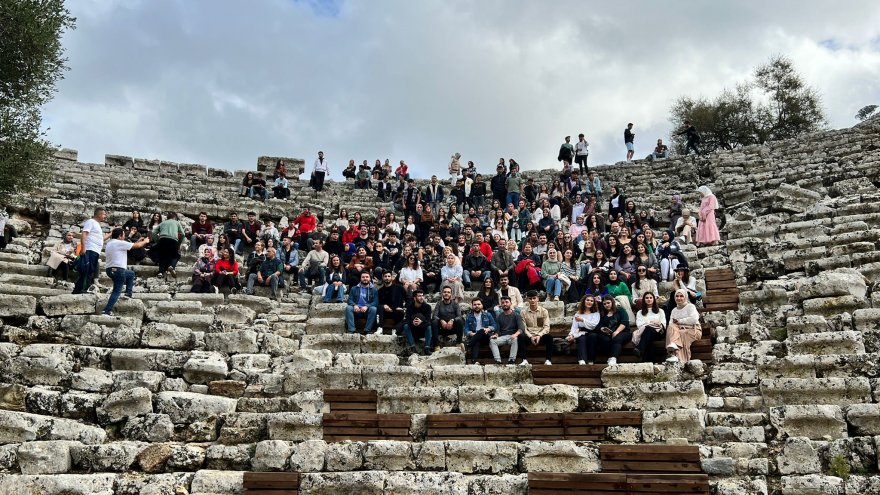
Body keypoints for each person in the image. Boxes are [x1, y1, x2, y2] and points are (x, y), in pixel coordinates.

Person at [102, 227, 150, 315]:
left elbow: (131, 245)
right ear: (120, 236)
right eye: (124, 235)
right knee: (116, 291)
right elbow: (138, 246)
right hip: (118, 270)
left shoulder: (110, 243)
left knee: (131, 274)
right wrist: (145, 241)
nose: (125, 237)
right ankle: (107, 310)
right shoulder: (119, 243)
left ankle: (128, 293)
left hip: (109, 270)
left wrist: (139, 240)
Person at [73, 207, 110, 295]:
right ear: (99, 214)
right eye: (104, 214)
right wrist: (83, 248)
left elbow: (101, 239)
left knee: (90, 271)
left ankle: (79, 290)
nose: (105, 216)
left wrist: (111, 233)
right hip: (90, 250)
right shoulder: (91, 222)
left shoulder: (97, 224)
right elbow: (84, 234)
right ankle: (82, 290)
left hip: (95, 251)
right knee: (87, 271)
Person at [588, 296, 631, 365]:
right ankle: (609, 357)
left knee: (617, 339)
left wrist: (617, 332)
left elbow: (625, 322)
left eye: (608, 303)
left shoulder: (620, 310)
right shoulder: (603, 314)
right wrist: (602, 328)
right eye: (604, 304)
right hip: (609, 333)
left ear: (612, 302)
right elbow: (600, 325)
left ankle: (613, 358)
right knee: (603, 338)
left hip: (623, 332)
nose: (606, 305)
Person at [518, 290, 553, 365]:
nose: (532, 300)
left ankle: (548, 360)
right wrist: (531, 336)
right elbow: (524, 327)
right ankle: (524, 360)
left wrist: (539, 335)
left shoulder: (544, 311)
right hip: (529, 336)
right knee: (521, 337)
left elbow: (547, 327)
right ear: (527, 300)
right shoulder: (523, 312)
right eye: (530, 298)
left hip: (540, 335)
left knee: (549, 337)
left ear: (538, 299)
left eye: (534, 298)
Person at [666, 289, 701, 362]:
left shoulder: (690, 306)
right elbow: (671, 323)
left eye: (681, 296)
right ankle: (673, 346)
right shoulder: (674, 310)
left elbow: (694, 319)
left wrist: (680, 321)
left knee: (681, 333)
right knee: (671, 326)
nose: (679, 298)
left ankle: (678, 357)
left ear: (685, 297)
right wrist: (678, 326)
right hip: (678, 330)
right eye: (677, 296)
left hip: (693, 330)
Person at [490, 296, 526, 365]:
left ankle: (511, 360)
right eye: (503, 302)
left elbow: (521, 328)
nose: (505, 304)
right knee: (492, 341)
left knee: (515, 339)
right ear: (501, 305)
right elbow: (498, 330)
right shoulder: (499, 316)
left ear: (510, 303)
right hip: (502, 337)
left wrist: (515, 334)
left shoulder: (516, 315)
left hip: (512, 336)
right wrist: (496, 335)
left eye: (507, 302)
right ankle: (498, 361)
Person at [567, 295, 601, 365]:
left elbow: (593, 325)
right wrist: (571, 335)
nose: (589, 302)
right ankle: (582, 360)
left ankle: (591, 360)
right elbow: (574, 327)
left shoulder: (596, 313)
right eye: (587, 300)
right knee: (581, 338)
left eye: (592, 301)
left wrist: (582, 319)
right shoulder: (578, 314)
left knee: (593, 336)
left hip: (592, 332)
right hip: (581, 332)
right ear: (584, 301)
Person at [634, 292, 666, 362]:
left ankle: (640, 349)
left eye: (651, 298)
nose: (649, 299)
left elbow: (664, 324)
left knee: (648, 329)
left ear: (654, 299)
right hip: (645, 332)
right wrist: (651, 323)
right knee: (649, 341)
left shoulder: (660, 311)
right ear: (644, 300)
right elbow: (639, 325)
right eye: (647, 298)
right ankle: (650, 363)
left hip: (658, 332)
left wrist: (657, 323)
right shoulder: (640, 312)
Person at [465, 298, 497, 365]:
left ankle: (468, 345)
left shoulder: (488, 314)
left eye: (478, 304)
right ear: (472, 306)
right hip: (475, 337)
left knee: (482, 330)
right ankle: (474, 361)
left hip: (486, 336)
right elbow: (466, 329)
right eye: (475, 304)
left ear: (482, 305)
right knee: (476, 342)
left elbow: (494, 325)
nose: (476, 306)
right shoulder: (469, 316)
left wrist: (488, 329)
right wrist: (471, 334)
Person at [402, 289, 432, 355]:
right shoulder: (410, 307)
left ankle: (427, 348)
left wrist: (421, 321)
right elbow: (407, 320)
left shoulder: (427, 307)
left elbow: (429, 320)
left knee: (429, 327)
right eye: (419, 296)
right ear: (415, 298)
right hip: (413, 331)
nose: (421, 298)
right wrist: (413, 322)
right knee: (406, 326)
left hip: (423, 330)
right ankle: (413, 348)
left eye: (422, 296)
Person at [377, 270, 405, 335]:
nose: (387, 278)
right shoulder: (380, 291)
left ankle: (395, 330)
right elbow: (377, 303)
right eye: (385, 276)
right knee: (380, 307)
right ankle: (380, 328)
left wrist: (404, 308)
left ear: (392, 277)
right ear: (383, 278)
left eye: (389, 276)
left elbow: (408, 299)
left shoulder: (399, 288)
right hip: (385, 312)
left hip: (396, 311)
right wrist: (383, 305)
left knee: (401, 312)